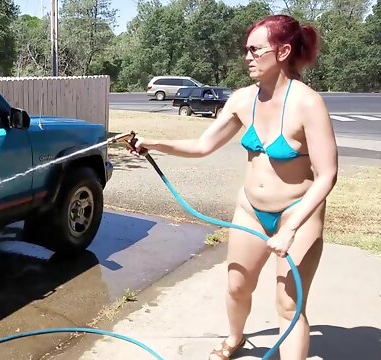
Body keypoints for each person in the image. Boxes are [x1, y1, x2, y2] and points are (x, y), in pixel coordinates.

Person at [129, 15, 338, 360]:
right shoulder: (242, 100)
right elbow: (202, 145)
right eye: (246, 50)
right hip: (250, 212)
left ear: (283, 51)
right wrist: (152, 143)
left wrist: (291, 229)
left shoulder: (308, 103)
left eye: (256, 49)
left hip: (297, 214)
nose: (247, 56)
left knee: (289, 305)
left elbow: (328, 174)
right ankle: (235, 339)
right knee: (237, 287)